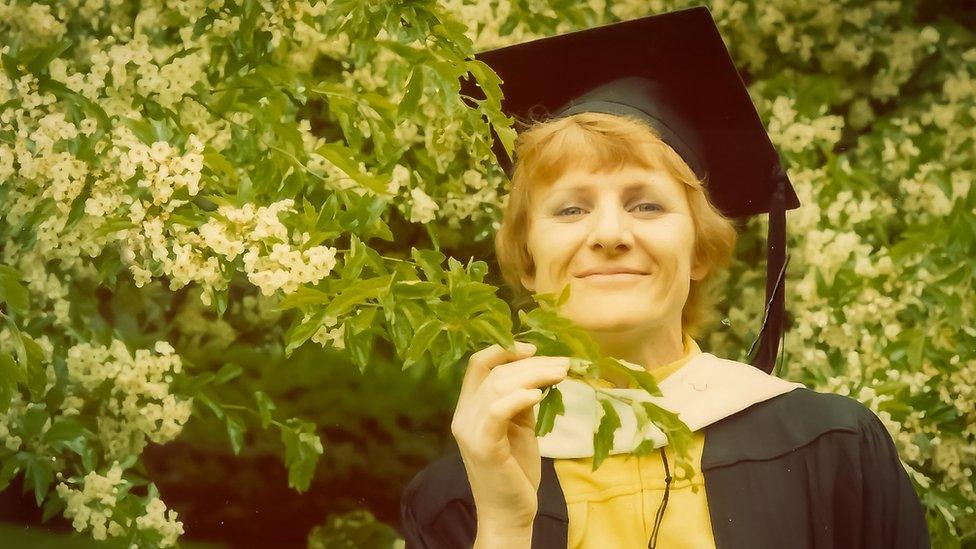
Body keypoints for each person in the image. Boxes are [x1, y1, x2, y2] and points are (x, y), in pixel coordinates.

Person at [401, 7, 930, 548]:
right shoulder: (459, 499)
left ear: (699, 250)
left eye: (647, 206)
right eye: (570, 210)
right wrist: (505, 529)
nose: (610, 233)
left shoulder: (832, 446)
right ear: (529, 261)